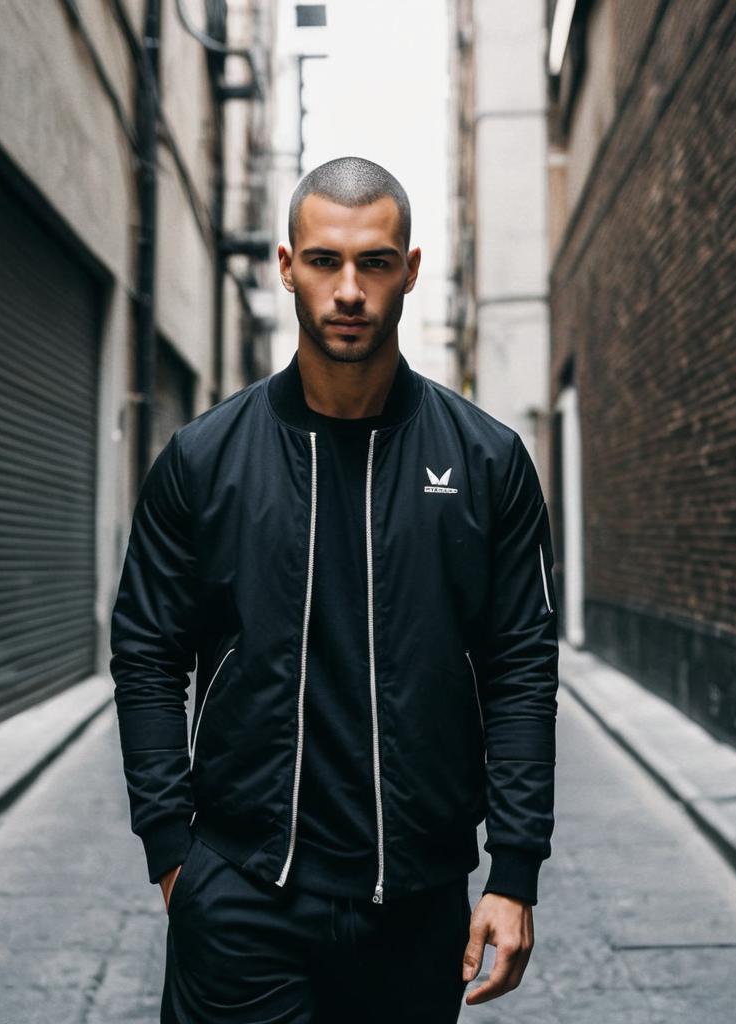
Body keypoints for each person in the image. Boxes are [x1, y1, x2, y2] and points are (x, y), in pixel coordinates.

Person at [110, 156, 559, 1023]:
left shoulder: (487, 461)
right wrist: (173, 852)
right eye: (324, 261)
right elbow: (147, 653)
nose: (348, 289)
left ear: (410, 271)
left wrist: (513, 870)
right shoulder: (205, 462)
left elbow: (521, 670)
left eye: (374, 262)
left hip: (418, 903)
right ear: (287, 266)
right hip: (243, 892)